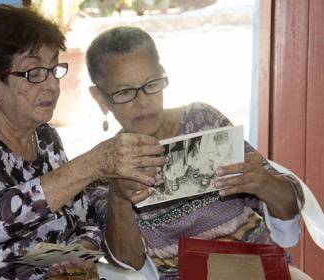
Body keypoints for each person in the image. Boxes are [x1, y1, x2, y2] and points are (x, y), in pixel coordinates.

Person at [0, 7, 166, 279]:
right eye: (34, 73)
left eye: (53, 68)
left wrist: (77, 254)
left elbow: (84, 222)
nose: (51, 84)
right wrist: (91, 164)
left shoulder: (46, 138)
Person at [86, 26, 307, 279]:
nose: (143, 101)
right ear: (100, 99)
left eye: (151, 84)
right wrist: (118, 198)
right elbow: (127, 262)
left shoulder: (202, 121)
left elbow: (288, 209)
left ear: (162, 75)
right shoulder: (106, 165)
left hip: (254, 266)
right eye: (124, 92)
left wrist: (263, 182)